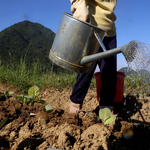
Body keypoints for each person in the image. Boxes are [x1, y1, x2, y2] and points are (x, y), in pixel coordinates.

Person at [69, 0, 117, 113]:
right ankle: (75, 107)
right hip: (90, 27)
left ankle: (106, 111)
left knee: (109, 74)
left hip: (109, 32)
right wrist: (78, 4)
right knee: (84, 71)